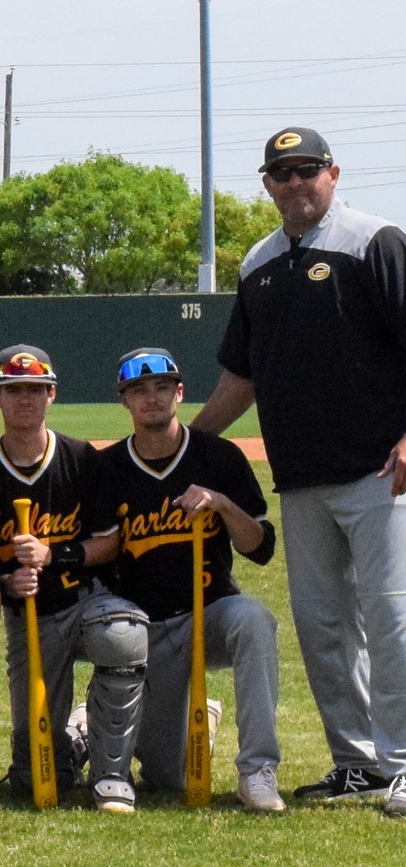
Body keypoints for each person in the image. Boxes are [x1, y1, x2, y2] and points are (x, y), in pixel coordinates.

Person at [192, 127, 406, 814]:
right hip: (303, 478)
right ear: (266, 184)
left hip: (381, 471)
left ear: (334, 173)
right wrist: (185, 446)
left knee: (390, 618)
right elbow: (241, 377)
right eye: (281, 173)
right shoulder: (258, 263)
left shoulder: (374, 240)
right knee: (321, 627)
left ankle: (403, 759)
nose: (295, 183)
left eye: (307, 169)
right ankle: (359, 762)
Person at [89, 348, 281, 812]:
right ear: (124, 402)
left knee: (254, 618)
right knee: (164, 777)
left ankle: (257, 770)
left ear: (180, 393)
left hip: (209, 614)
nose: (151, 398)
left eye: (161, 387)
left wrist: (221, 503)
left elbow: (261, 547)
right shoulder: (108, 469)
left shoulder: (219, 458)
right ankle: (96, 719)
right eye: (138, 390)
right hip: (145, 630)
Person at [0, 345, 146, 802]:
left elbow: (111, 542)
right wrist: (6, 582)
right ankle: (80, 732)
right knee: (34, 772)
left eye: (36, 389)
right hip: (31, 622)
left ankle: (111, 774)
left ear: (52, 395)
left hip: (86, 603)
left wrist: (53, 555)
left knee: (121, 634)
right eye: (14, 389)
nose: (26, 398)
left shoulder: (83, 460)